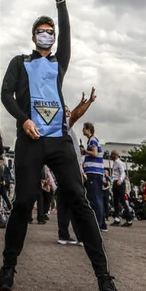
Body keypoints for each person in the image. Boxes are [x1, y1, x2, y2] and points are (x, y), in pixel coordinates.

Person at [0, 0, 116, 291]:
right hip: (31, 141)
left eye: (50, 31)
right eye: (41, 31)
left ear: (54, 37)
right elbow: (5, 95)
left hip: (60, 140)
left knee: (78, 199)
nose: (46, 34)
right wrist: (22, 120)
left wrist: (61, 2)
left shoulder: (58, 62)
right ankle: (8, 266)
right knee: (22, 202)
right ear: (33, 36)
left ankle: (104, 276)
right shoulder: (19, 63)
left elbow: (68, 34)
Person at [57, 93, 96, 246]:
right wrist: (89, 103)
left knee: (65, 203)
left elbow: (74, 113)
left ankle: (64, 235)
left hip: (67, 167)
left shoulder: (64, 126)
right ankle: (81, 236)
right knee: (77, 201)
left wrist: (81, 103)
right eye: (66, 111)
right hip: (70, 168)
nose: (69, 112)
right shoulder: (64, 125)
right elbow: (75, 115)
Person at [81, 122, 107, 231]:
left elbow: (95, 153)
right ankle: (102, 223)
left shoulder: (92, 140)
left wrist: (84, 151)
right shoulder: (93, 140)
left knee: (95, 198)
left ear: (88, 129)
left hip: (93, 172)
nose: (82, 131)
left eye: (84, 129)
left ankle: (98, 223)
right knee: (98, 198)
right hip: (96, 173)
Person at [110, 151, 132, 227]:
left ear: (115, 155)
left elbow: (123, 172)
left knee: (122, 201)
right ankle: (117, 219)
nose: (110, 156)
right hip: (115, 182)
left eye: (112, 154)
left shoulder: (119, 163)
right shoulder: (115, 163)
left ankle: (129, 219)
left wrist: (120, 180)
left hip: (119, 183)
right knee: (115, 201)